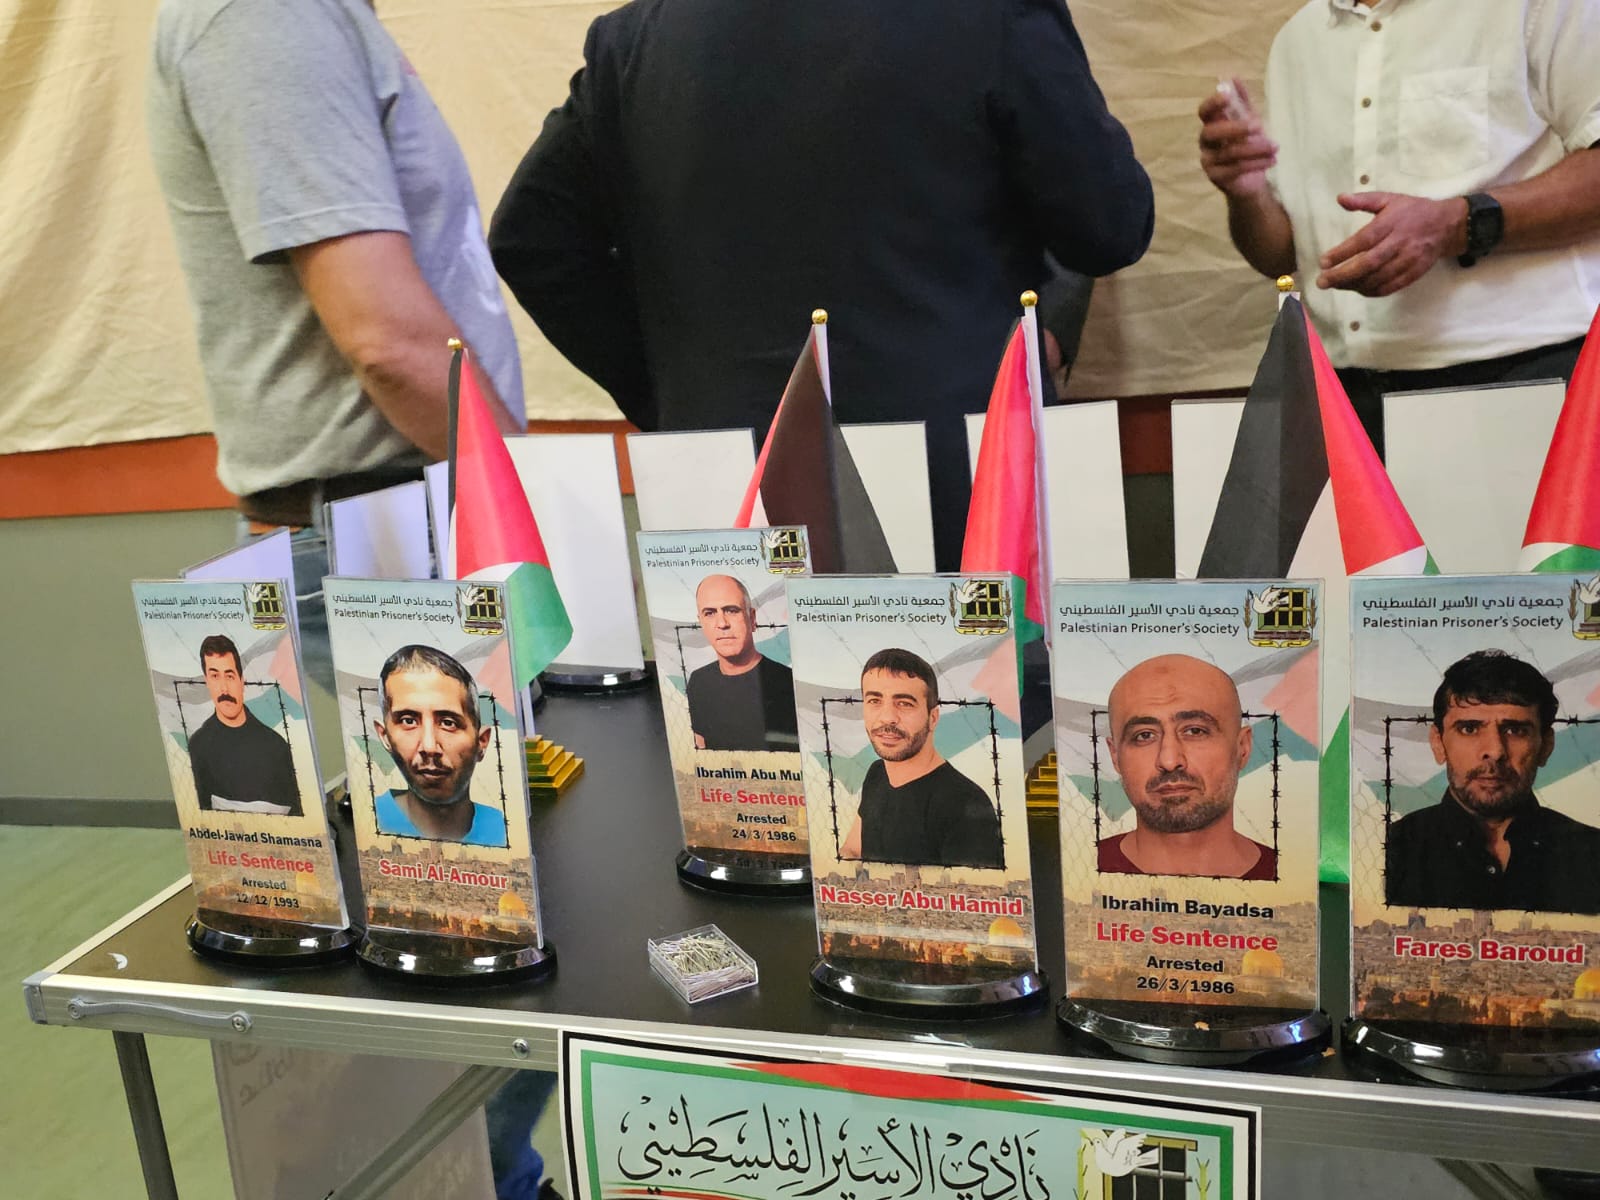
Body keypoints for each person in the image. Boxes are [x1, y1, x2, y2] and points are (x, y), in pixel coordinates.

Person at [488, 0, 1153, 571]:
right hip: (962, 491)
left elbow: (531, 239)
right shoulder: (990, 13)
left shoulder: (636, 36)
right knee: (976, 690)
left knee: (733, 687)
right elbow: (1109, 228)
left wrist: (675, 394)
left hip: (720, 488)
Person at [147, 0, 526, 687]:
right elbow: (387, 342)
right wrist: (531, 514)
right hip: (394, 532)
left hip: (406, 519)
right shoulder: (269, 15)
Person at [1197, 0, 1600, 452]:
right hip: (1346, 397)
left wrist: (1457, 224)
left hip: (1526, 373)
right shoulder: (1298, 40)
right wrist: (1247, 191)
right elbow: (1283, 256)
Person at [1386, 650, 1600, 913]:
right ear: (1438, 743)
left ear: (1546, 746)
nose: (1495, 751)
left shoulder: (1592, 853)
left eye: (1515, 730)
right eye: (1469, 729)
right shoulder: (1391, 850)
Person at [1100, 654, 1275, 880]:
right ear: (1115, 757)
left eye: (1195, 731)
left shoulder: (1292, 878)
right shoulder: (1081, 869)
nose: (1169, 761)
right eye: (1144, 735)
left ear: (1242, 748)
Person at [840, 649, 1003, 869]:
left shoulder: (965, 805)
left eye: (904, 703)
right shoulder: (877, 773)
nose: (887, 717)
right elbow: (852, 850)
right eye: (874, 700)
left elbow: (969, 889)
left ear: (933, 718)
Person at [371, 645, 507, 847]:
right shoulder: (367, 820)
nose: (429, 747)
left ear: (482, 742)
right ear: (385, 737)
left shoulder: (507, 830)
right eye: (409, 721)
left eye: (448, 723)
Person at [186, 634, 302, 816]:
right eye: (215, 676)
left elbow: (297, 813)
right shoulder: (199, 745)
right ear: (206, 682)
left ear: (242, 682)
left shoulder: (276, 746)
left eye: (230, 676)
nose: (224, 688)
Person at [684, 575, 799, 753]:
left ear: (751, 618)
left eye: (731, 610)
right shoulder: (699, 681)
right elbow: (701, 747)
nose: (722, 624)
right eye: (710, 613)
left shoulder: (787, 683)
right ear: (701, 623)